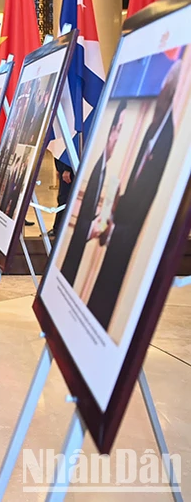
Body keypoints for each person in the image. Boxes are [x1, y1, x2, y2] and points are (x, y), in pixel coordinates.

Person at [87, 63, 179, 328]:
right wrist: (112, 209)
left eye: (162, 90)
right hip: (115, 232)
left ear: (170, 94)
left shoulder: (169, 140)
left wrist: (113, 223)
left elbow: (149, 204)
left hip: (129, 243)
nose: (155, 96)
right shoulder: (153, 129)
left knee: (110, 304)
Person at [60, 101, 126, 288]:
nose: (120, 137)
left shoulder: (112, 173)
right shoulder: (95, 167)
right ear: (110, 130)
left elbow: (106, 219)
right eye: (119, 129)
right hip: (75, 262)